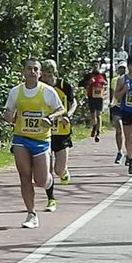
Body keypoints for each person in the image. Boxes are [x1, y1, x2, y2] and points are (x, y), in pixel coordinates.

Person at [4, 59, 65, 229]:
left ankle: (49, 181)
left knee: (41, 180)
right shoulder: (16, 92)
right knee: (24, 176)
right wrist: (8, 117)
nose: (32, 72)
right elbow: (8, 111)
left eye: (35, 69)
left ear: (39, 73)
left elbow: (60, 109)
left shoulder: (47, 92)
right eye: (29, 69)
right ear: (23, 72)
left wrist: (50, 118)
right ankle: (31, 214)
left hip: (41, 140)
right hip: (21, 138)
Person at [40, 59, 77, 212]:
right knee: (47, 170)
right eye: (44, 75)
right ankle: (51, 199)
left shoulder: (63, 86)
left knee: (58, 169)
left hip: (62, 132)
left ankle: (64, 172)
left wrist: (69, 114)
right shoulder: (39, 88)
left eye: (49, 76)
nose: (46, 79)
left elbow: (74, 102)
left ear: (54, 74)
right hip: (45, 133)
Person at [86, 61, 107, 142]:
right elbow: (82, 84)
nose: (95, 66)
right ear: (92, 66)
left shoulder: (102, 75)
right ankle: (94, 126)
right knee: (92, 114)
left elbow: (106, 84)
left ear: (99, 66)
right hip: (91, 96)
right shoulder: (89, 75)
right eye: (94, 65)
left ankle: (98, 132)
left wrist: (104, 83)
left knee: (98, 114)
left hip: (99, 97)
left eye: (97, 65)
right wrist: (89, 82)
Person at [110, 63, 126, 164]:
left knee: (129, 132)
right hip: (116, 106)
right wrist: (112, 102)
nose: (122, 70)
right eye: (120, 68)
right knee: (119, 129)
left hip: (127, 107)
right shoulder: (114, 80)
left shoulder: (129, 79)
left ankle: (129, 152)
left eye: (123, 68)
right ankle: (120, 151)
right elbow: (113, 92)